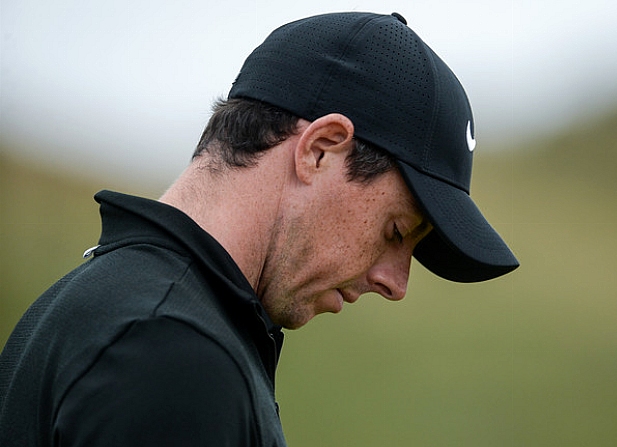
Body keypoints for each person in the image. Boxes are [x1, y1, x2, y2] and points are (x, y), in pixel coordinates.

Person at [0, 11, 519, 447]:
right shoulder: (172, 355)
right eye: (396, 230)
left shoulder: (107, 307)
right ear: (320, 149)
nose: (395, 283)